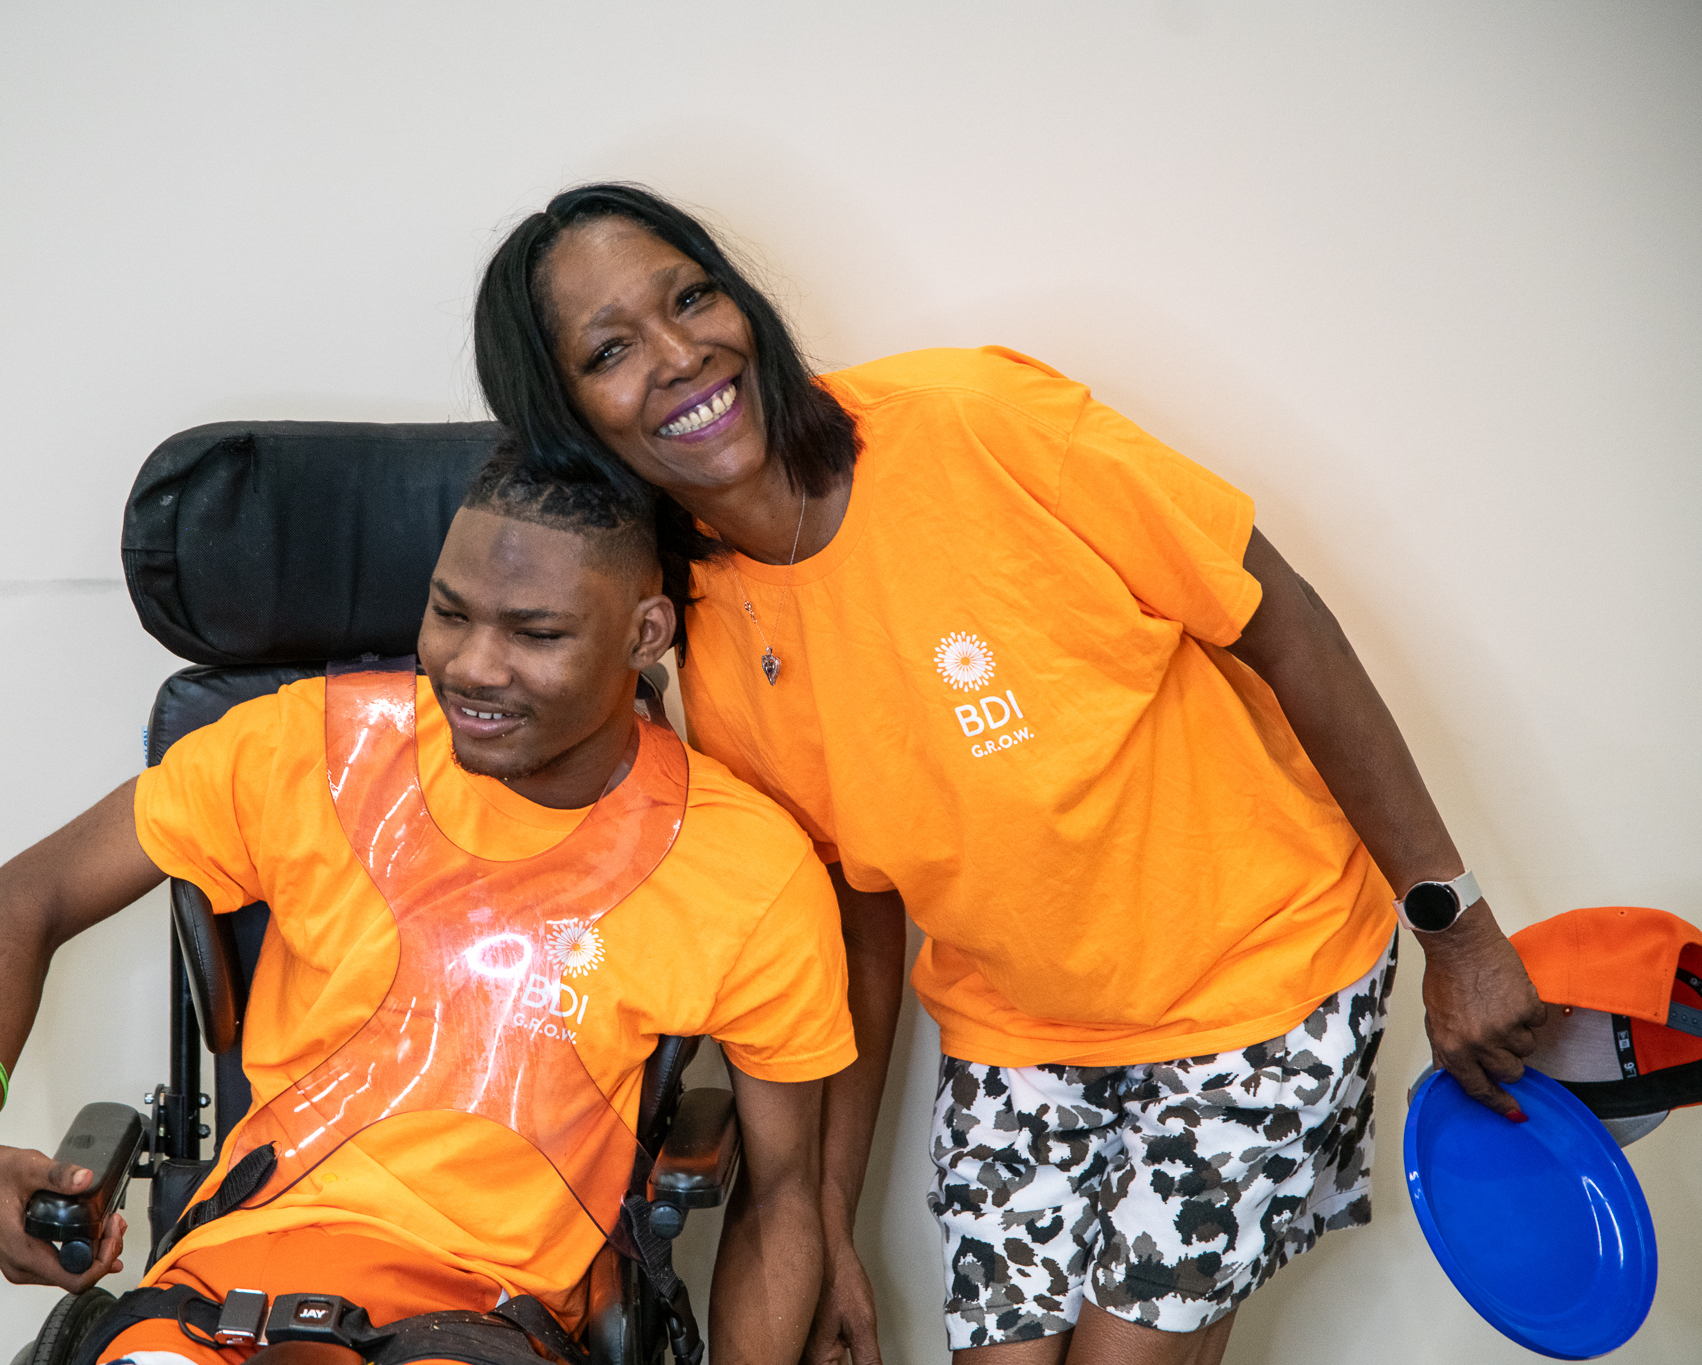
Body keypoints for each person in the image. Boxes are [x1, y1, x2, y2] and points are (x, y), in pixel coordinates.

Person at [471, 184, 1549, 1365]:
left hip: (1260, 978)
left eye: (691, 296)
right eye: (611, 349)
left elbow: (1279, 620)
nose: (680, 356)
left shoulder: (975, 421)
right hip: (1017, 1027)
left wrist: (1456, 928)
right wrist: (826, 1220)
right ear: (566, 413)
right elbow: (854, 917)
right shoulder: (700, 629)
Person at [0, 451, 857, 1365]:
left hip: (478, 1316)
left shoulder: (746, 868)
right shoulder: (310, 747)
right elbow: (18, 900)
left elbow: (781, 1199)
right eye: (449, 612)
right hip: (212, 1298)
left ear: (645, 633)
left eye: (535, 634)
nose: (473, 666)